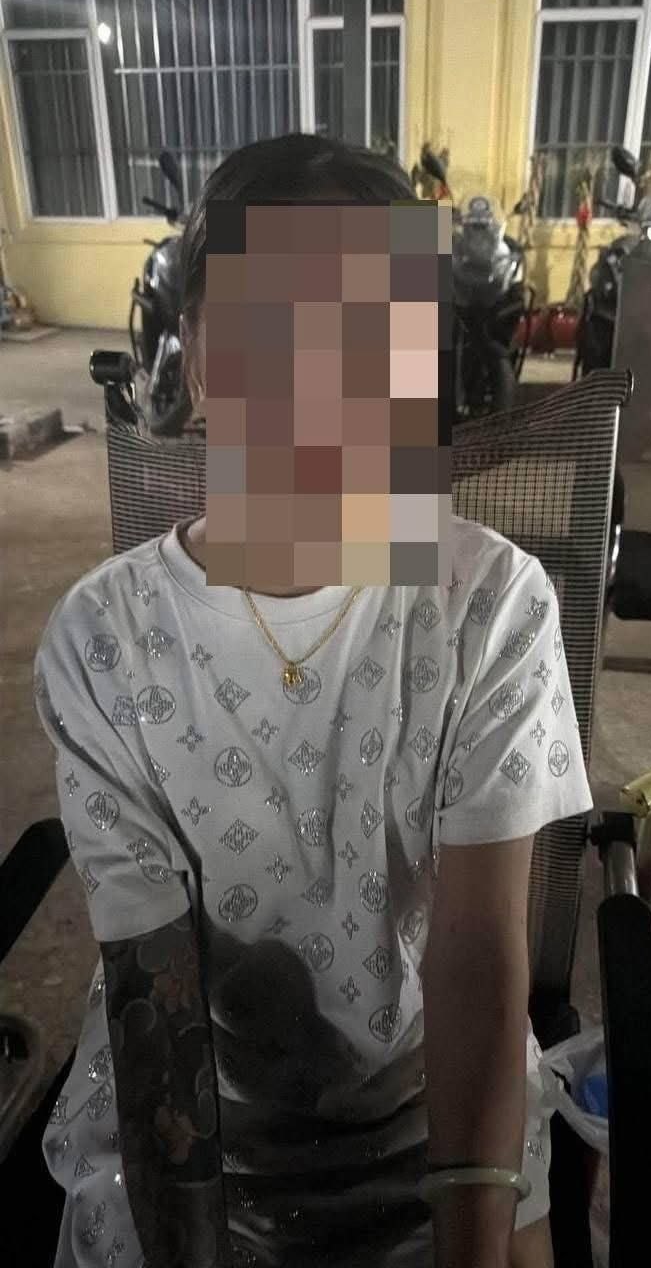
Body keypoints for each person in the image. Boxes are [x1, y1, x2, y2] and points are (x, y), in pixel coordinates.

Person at [33, 133, 594, 1268]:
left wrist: (470, 1235)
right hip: (201, 1122)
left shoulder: (487, 605)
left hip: (442, 1103)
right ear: (200, 357)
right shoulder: (105, 644)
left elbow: (477, 951)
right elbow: (158, 1017)